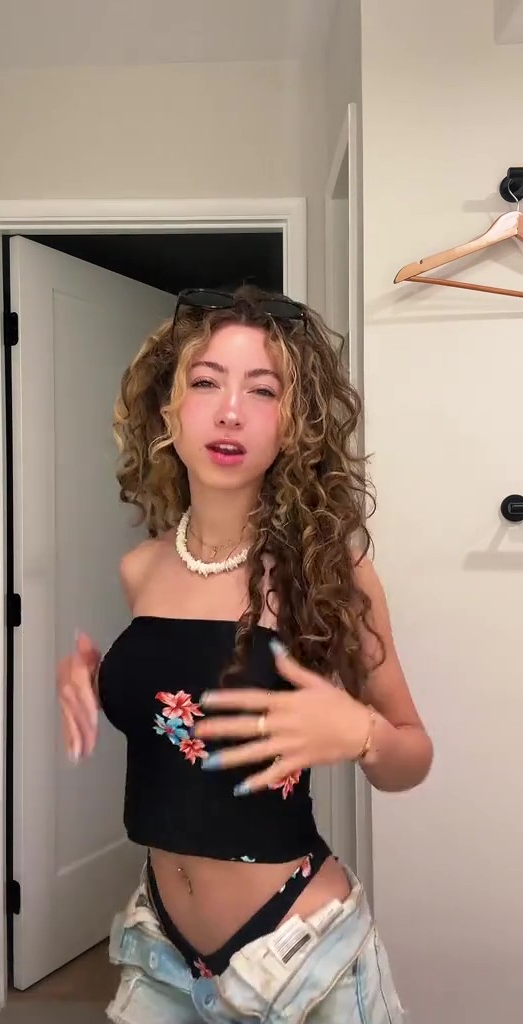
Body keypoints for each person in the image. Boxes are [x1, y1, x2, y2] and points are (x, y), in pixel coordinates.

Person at [57, 286, 433, 1023]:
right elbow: (186, 695)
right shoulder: (142, 569)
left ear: (294, 424)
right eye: (206, 382)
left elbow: (412, 755)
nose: (231, 411)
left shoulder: (330, 574)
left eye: (263, 390)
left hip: (302, 954)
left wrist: (360, 733)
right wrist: (100, 678)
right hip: (160, 949)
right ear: (168, 410)